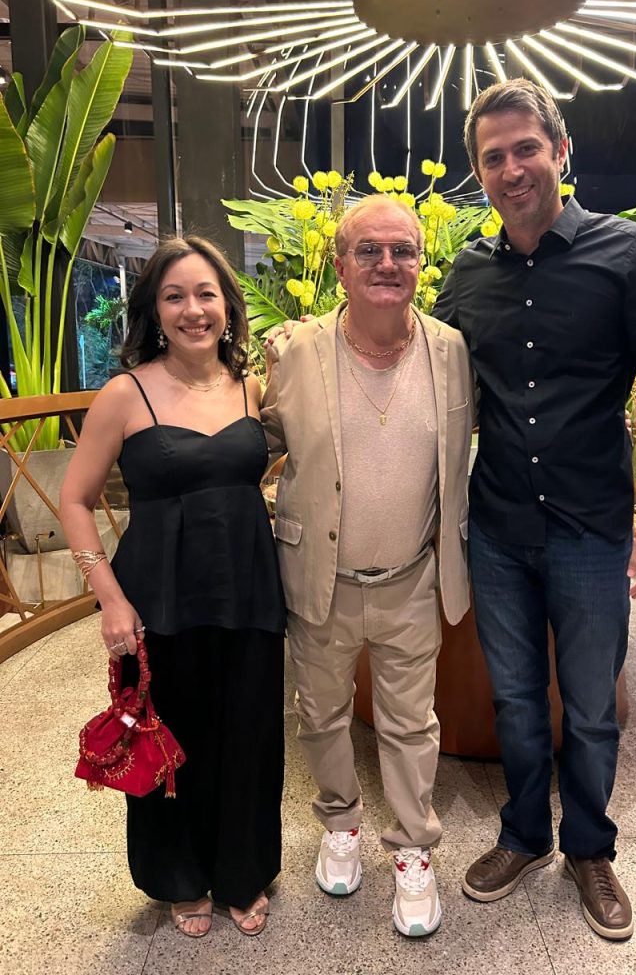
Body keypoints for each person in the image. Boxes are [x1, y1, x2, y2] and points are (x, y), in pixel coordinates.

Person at [432, 79, 636, 940]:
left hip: (591, 527)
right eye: (494, 157)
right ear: (479, 173)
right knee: (515, 699)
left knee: (589, 705)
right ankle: (523, 835)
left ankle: (589, 848)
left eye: (526, 149)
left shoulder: (627, 252)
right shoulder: (468, 272)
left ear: (560, 150)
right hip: (498, 526)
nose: (512, 169)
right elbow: (421, 367)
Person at [60, 237, 286, 939]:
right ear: (154, 310)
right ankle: (180, 877)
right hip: (156, 598)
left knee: (249, 734)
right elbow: (74, 499)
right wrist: (109, 597)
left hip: (248, 589)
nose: (194, 310)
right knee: (171, 740)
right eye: (174, 296)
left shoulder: (252, 386)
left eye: (206, 294)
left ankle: (243, 871)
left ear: (228, 305)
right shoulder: (124, 393)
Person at [260, 195, 473, 937]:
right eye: (369, 251)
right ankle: (340, 822)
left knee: (412, 724)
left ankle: (414, 849)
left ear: (421, 262)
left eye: (403, 250)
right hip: (319, 576)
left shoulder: (452, 351)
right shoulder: (295, 350)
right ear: (340, 264)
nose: (388, 264)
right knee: (320, 713)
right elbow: (255, 439)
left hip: (412, 577)